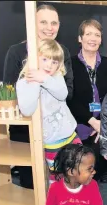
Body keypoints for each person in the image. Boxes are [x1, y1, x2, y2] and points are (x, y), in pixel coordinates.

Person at [3, 4, 73, 189]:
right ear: (32, 23)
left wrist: (47, 80)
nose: (49, 28)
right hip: (27, 133)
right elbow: (10, 96)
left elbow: (67, 91)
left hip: (57, 130)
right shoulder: (16, 52)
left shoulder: (61, 52)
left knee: (66, 179)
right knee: (32, 185)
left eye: (53, 23)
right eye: (43, 22)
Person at [16, 39, 81, 185]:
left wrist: (44, 78)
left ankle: (78, 200)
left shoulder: (56, 77)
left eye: (54, 62)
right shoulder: (23, 83)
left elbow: (62, 94)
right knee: (58, 177)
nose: (49, 65)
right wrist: (35, 82)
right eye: (45, 59)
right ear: (34, 58)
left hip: (71, 135)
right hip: (52, 142)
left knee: (79, 170)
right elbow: (27, 109)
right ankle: (58, 203)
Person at [68, 19, 107, 183]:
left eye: (97, 35)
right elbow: (69, 99)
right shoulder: (70, 64)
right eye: (88, 34)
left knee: (100, 172)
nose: (93, 38)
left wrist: (101, 124)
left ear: (101, 39)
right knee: (77, 169)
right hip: (78, 125)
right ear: (80, 38)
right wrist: (91, 121)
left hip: (102, 127)